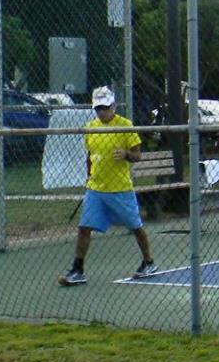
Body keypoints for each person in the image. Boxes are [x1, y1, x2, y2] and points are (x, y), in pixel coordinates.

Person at [58, 85, 158, 286]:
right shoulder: (91, 128)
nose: (102, 112)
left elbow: (137, 155)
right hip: (96, 189)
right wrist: (89, 177)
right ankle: (77, 270)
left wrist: (126, 155)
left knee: (135, 227)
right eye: (98, 108)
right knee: (84, 227)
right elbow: (90, 156)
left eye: (105, 107)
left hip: (120, 188)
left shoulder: (125, 125)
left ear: (113, 105)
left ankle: (148, 262)